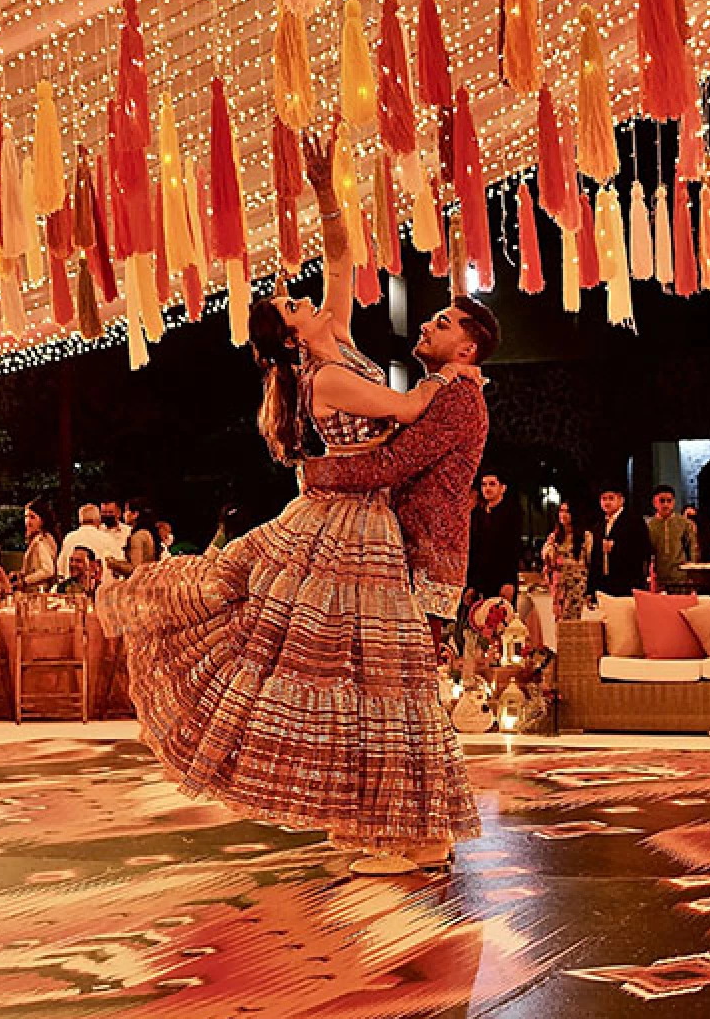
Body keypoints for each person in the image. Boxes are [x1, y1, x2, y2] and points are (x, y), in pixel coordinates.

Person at [99, 130, 487, 878]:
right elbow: (405, 418)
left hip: (358, 521)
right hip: (346, 524)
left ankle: (403, 828)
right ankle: (384, 822)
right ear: (295, 337)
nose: (311, 299)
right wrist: (455, 382)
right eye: (297, 306)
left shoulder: (334, 339)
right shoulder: (329, 378)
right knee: (347, 671)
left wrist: (325, 190)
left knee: (368, 672)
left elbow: (340, 258)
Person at [468, 473, 522, 602]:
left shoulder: (511, 514)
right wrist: (471, 585)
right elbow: (474, 551)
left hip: (502, 582)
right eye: (484, 484)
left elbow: (513, 550)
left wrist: (509, 582)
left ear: (503, 488)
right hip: (480, 583)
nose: (487, 488)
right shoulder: (477, 515)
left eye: (492, 484)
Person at [592, 487, 654, 595]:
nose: (607, 502)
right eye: (603, 499)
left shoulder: (634, 521)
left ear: (621, 500)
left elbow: (643, 550)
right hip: (604, 584)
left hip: (628, 582)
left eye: (611, 498)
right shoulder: (599, 525)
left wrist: (615, 547)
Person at [540, 503, 591, 608]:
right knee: (559, 619)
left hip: (576, 585)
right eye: (561, 511)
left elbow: (589, 561)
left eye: (567, 511)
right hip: (559, 584)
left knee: (573, 619)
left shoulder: (585, 536)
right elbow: (546, 558)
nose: (563, 514)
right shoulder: (554, 536)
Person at [648, 486, 696, 592]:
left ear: (673, 502)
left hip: (681, 576)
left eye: (669, 501)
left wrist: (692, 573)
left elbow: (692, 548)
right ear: (654, 502)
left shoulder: (684, 523)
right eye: (662, 501)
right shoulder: (649, 525)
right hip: (658, 577)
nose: (665, 504)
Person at [59, 504, 120, 580]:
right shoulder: (107, 539)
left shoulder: (69, 538)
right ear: (98, 520)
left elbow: (61, 568)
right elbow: (119, 566)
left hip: (72, 587)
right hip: (101, 587)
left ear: (80, 520)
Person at [19, 502, 60, 590]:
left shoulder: (41, 541)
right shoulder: (42, 539)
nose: (28, 521)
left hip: (39, 592)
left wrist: (26, 581)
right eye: (26, 517)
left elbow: (48, 570)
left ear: (42, 521)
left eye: (32, 517)